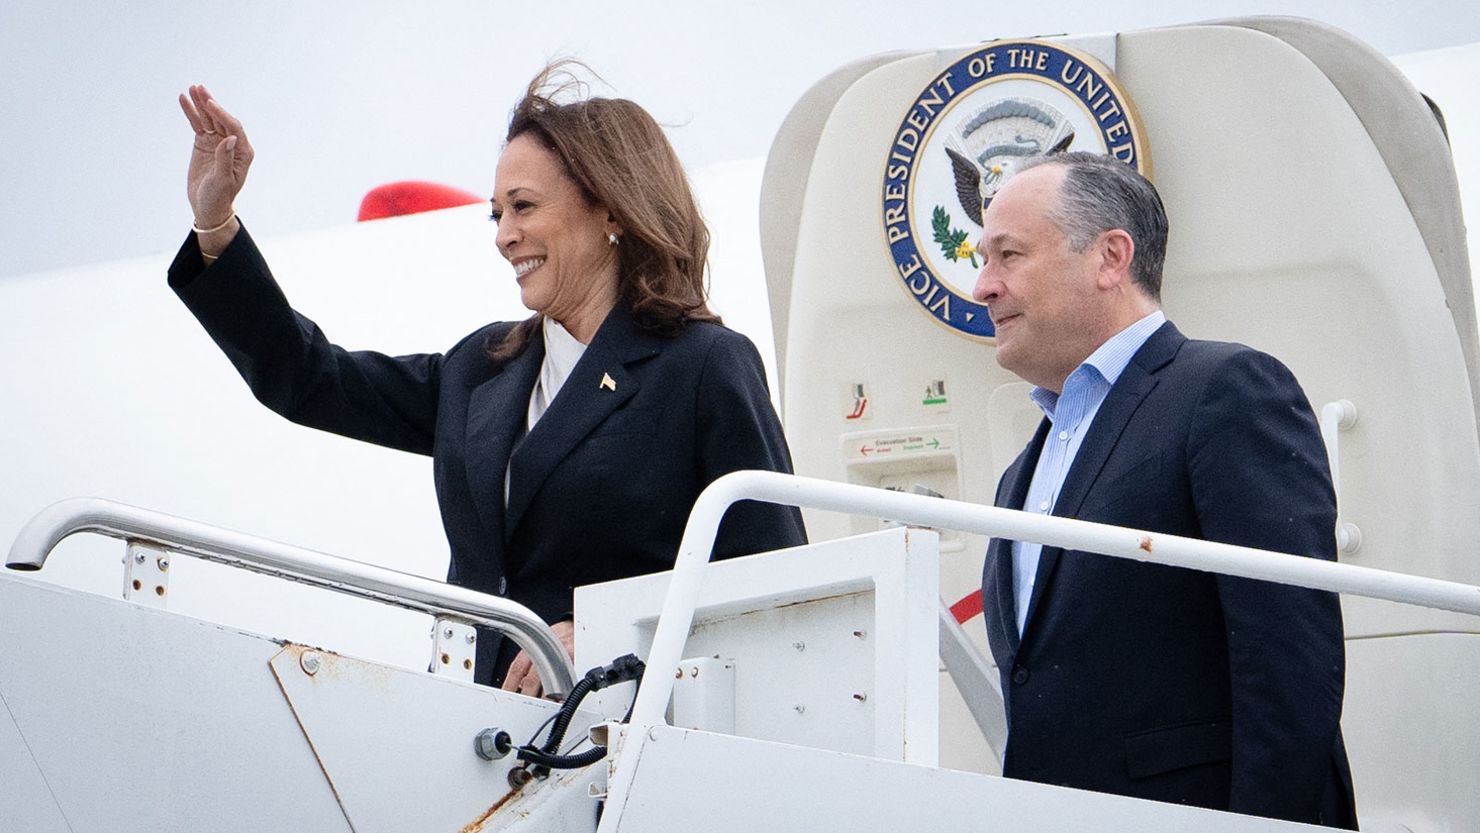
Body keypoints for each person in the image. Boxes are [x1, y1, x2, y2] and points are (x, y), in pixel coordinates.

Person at [168, 65, 807, 695]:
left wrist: (612, 630)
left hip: (621, 736)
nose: (504, 236)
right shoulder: (481, 369)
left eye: (523, 207)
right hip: (475, 729)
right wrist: (215, 222)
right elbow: (308, 378)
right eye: (496, 214)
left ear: (608, 209)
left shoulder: (704, 365)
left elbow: (774, 580)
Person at [973, 152, 1356, 828]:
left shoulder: (1227, 390)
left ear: (1111, 257)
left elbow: (1289, 663)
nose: (983, 286)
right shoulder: (1020, 474)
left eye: (1008, 255)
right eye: (984, 259)